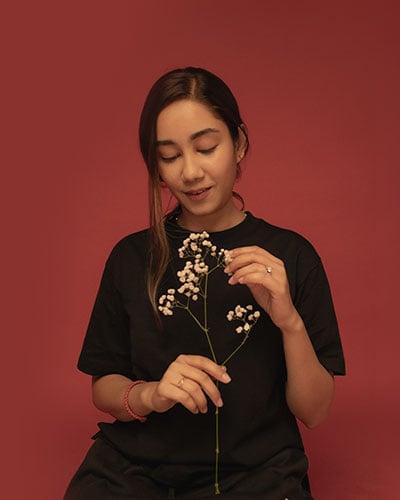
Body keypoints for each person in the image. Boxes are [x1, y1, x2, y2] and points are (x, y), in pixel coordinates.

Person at [64, 67, 345, 499]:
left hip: (255, 473)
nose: (191, 172)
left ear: (239, 143)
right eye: (170, 156)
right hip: (136, 471)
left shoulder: (291, 255)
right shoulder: (131, 256)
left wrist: (289, 321)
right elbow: (103, 386)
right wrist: (152, 395)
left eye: (206, 147)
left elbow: (315, 412)